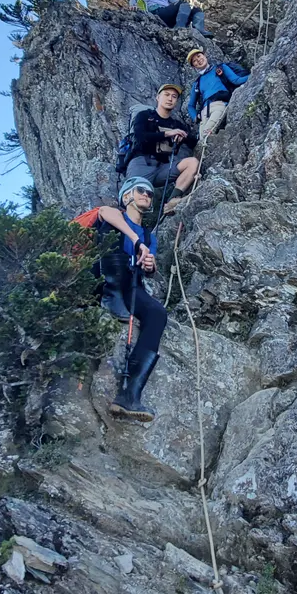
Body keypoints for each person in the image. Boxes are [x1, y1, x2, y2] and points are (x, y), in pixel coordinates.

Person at [97, 177, 167, 421]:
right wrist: (134, 240)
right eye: (141, 190)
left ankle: (130, 393)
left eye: (149, 192)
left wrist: (149, 264)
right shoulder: (115, 216)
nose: (147, 194)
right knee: (112, 235)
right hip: (103, 279)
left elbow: (151, 266)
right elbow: (104, 212)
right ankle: (110, 295)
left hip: (131, 284)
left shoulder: (149, 236)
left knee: (157, 314)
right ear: (127, 196)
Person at [125, 83, 199, 215]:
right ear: (157, 97)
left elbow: (193, 141)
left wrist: (183, 137)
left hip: (163, 168)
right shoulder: (144, 116)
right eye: (166, 95)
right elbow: (140, 137)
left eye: (174, 96)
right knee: (135, 204)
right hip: (141, 163)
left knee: (192, 163)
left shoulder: (176, 124)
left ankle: (172, 201)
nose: (170, 99)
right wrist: (167, 133)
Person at [186, 49, 249, 139]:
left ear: (204, 55)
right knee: (201, 141)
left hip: (219, 105)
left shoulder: (220, 68)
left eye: (199, 56)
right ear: (194, 66)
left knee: (206, 134)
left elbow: (236, 80)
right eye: (194, 61)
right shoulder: (197, 83)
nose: (198, 60)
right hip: (204, 113)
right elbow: (190, 105)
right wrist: (195, 117)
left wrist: (255, 73)